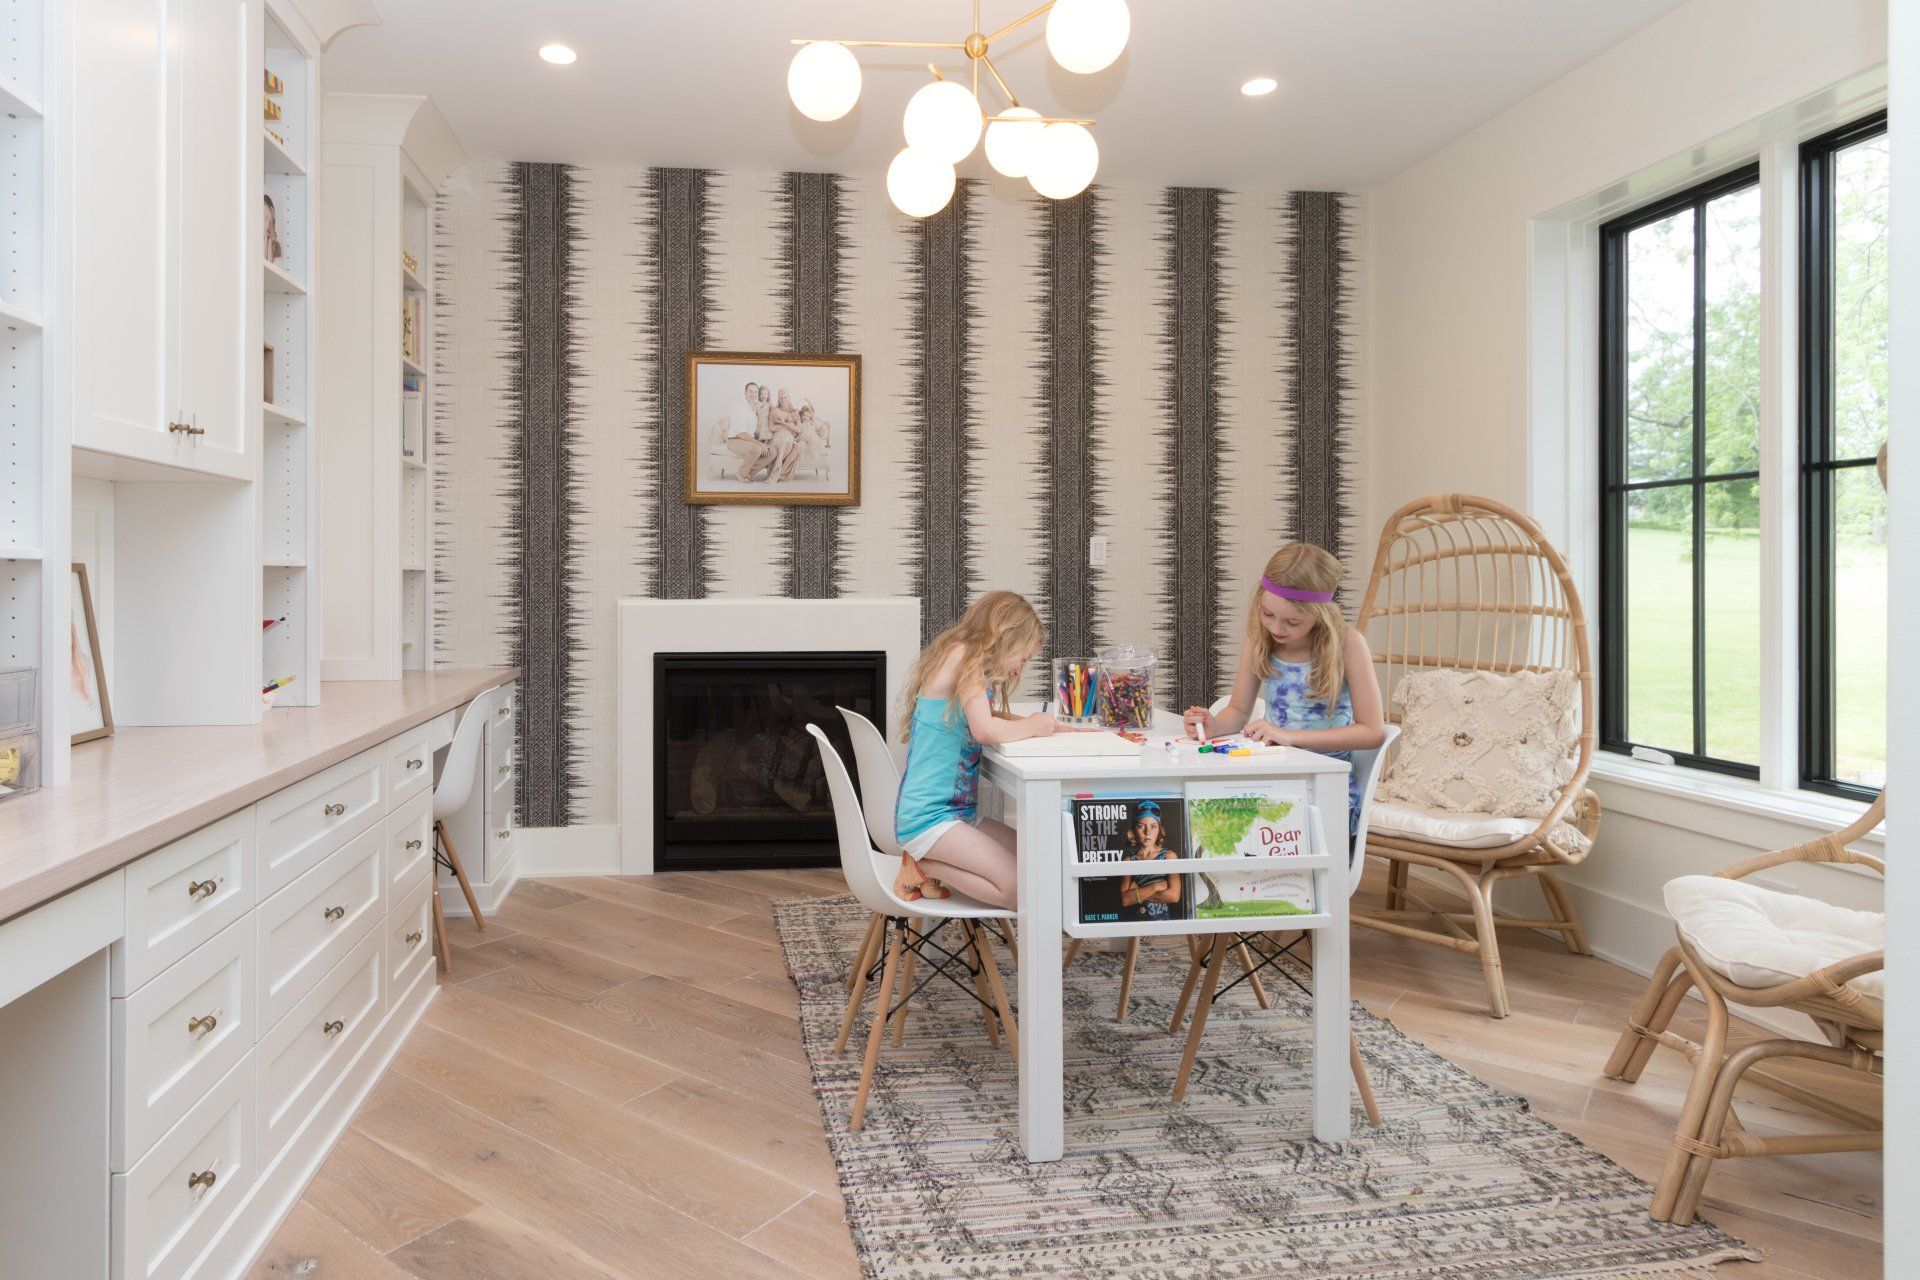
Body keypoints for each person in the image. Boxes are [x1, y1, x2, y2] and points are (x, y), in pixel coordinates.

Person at [1182, 543, 1386, 838]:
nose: (1277, 627)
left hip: (1325, 788)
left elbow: (1372, 731)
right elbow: (1238, 711)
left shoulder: (1348, 644)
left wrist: (1290, 737)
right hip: (1273, 777)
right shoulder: (1260, 638)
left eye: (1293, 622)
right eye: (1267, 614)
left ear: (1321, 614)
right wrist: (1213, 726)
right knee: (1208, 819)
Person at [892, 591, 1059, 907]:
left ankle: (929, 866)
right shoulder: (965, 658)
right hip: (930, 820)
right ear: (1007, 638)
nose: (1018, 670)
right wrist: (1033, 727)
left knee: (1042, 865)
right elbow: (984, 730)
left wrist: (1039, 723)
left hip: (956, 816)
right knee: (1021, 890)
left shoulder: (960, 656)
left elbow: (985, 716)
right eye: (1022, 659)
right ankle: (921, 865)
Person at [1117, 800, 1182, 922]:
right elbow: (1125, 900)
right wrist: (1156, 886)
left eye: (1153, 826)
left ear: (1159, 829)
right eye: (1141, 826)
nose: (1148, 832)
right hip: (1138, 923)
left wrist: (1137, 892)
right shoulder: (1129, 861)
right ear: (1133, 831)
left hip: (1164, 924)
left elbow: (1174, 896)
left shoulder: (1168, 856)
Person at [723, 381, 772, 481]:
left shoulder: (753, 408)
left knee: (773, 452)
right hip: (735, 440)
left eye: (755, 392)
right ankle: (742, 474)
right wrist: (760, 444)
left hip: (747, 441)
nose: (753, 394)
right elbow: (741, 433)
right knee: (757, 449)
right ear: (745, 393)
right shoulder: (740, 408)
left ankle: (748, 473)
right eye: (750, 392)